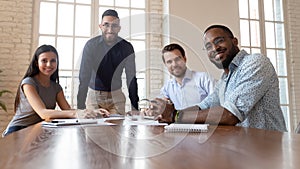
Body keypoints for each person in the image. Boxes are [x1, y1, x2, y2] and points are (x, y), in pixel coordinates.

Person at [151, 25, 287, 132]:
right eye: (208, 46)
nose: (215, 48)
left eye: (219, 41)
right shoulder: (225, 79)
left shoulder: (255, 62)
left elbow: (230, 115)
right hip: (242, 147)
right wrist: (168, 114)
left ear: (234, 41)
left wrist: (176, 115)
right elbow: (203, 107)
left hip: (269, 149)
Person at [3, 45, 109, 136]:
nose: (49, 64)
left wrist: (92, 112)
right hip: (19, 129)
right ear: (36, 63)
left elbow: (67, 110)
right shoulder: (28, 83)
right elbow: (43, 113)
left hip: (38, 129)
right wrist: (78, 114)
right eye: (44, 61)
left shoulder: (56, 87)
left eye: (53, 61)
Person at [77, 9, 139, 115]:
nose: (110, 29)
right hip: (94, 97)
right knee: (93, 130)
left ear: (119, 28)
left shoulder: (127, 48)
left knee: (116, 131)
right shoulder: (91, 46)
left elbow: (131, 78)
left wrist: (135, 107)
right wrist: (80, 108)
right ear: (100, 26)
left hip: (116, 97)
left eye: (114, 26)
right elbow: (84, 77)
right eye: (106, 25)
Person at [158, 43, 216, 110]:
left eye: (177, 59)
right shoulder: (167, 87)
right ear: (165, 65)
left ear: (184, 59)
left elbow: (216, 104)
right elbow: (160, 105)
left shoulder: (204, 79)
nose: (174, 64)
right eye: (169, 62)